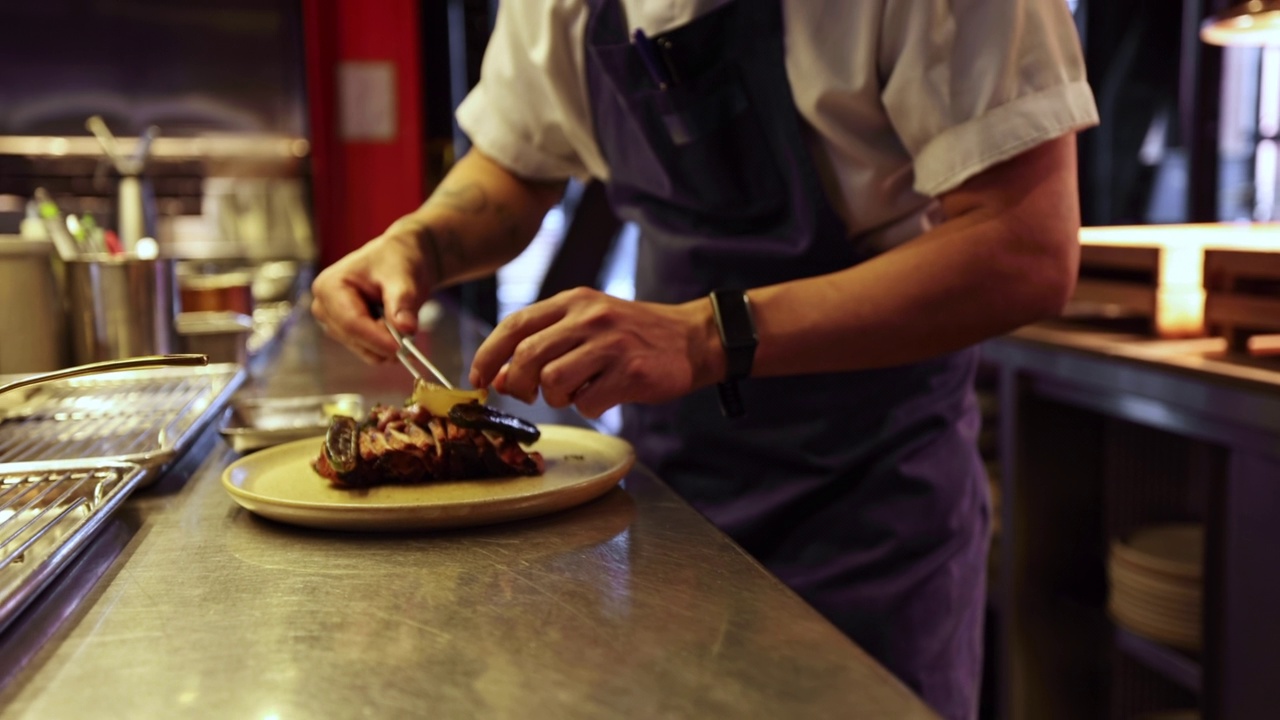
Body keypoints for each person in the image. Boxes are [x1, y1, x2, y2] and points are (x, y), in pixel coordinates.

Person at [311, 1, 1099, 718]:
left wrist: (705, 335)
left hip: (870, 506)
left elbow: (1023, 245)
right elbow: (514, 167)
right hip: (670, 500)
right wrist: (416, 241)